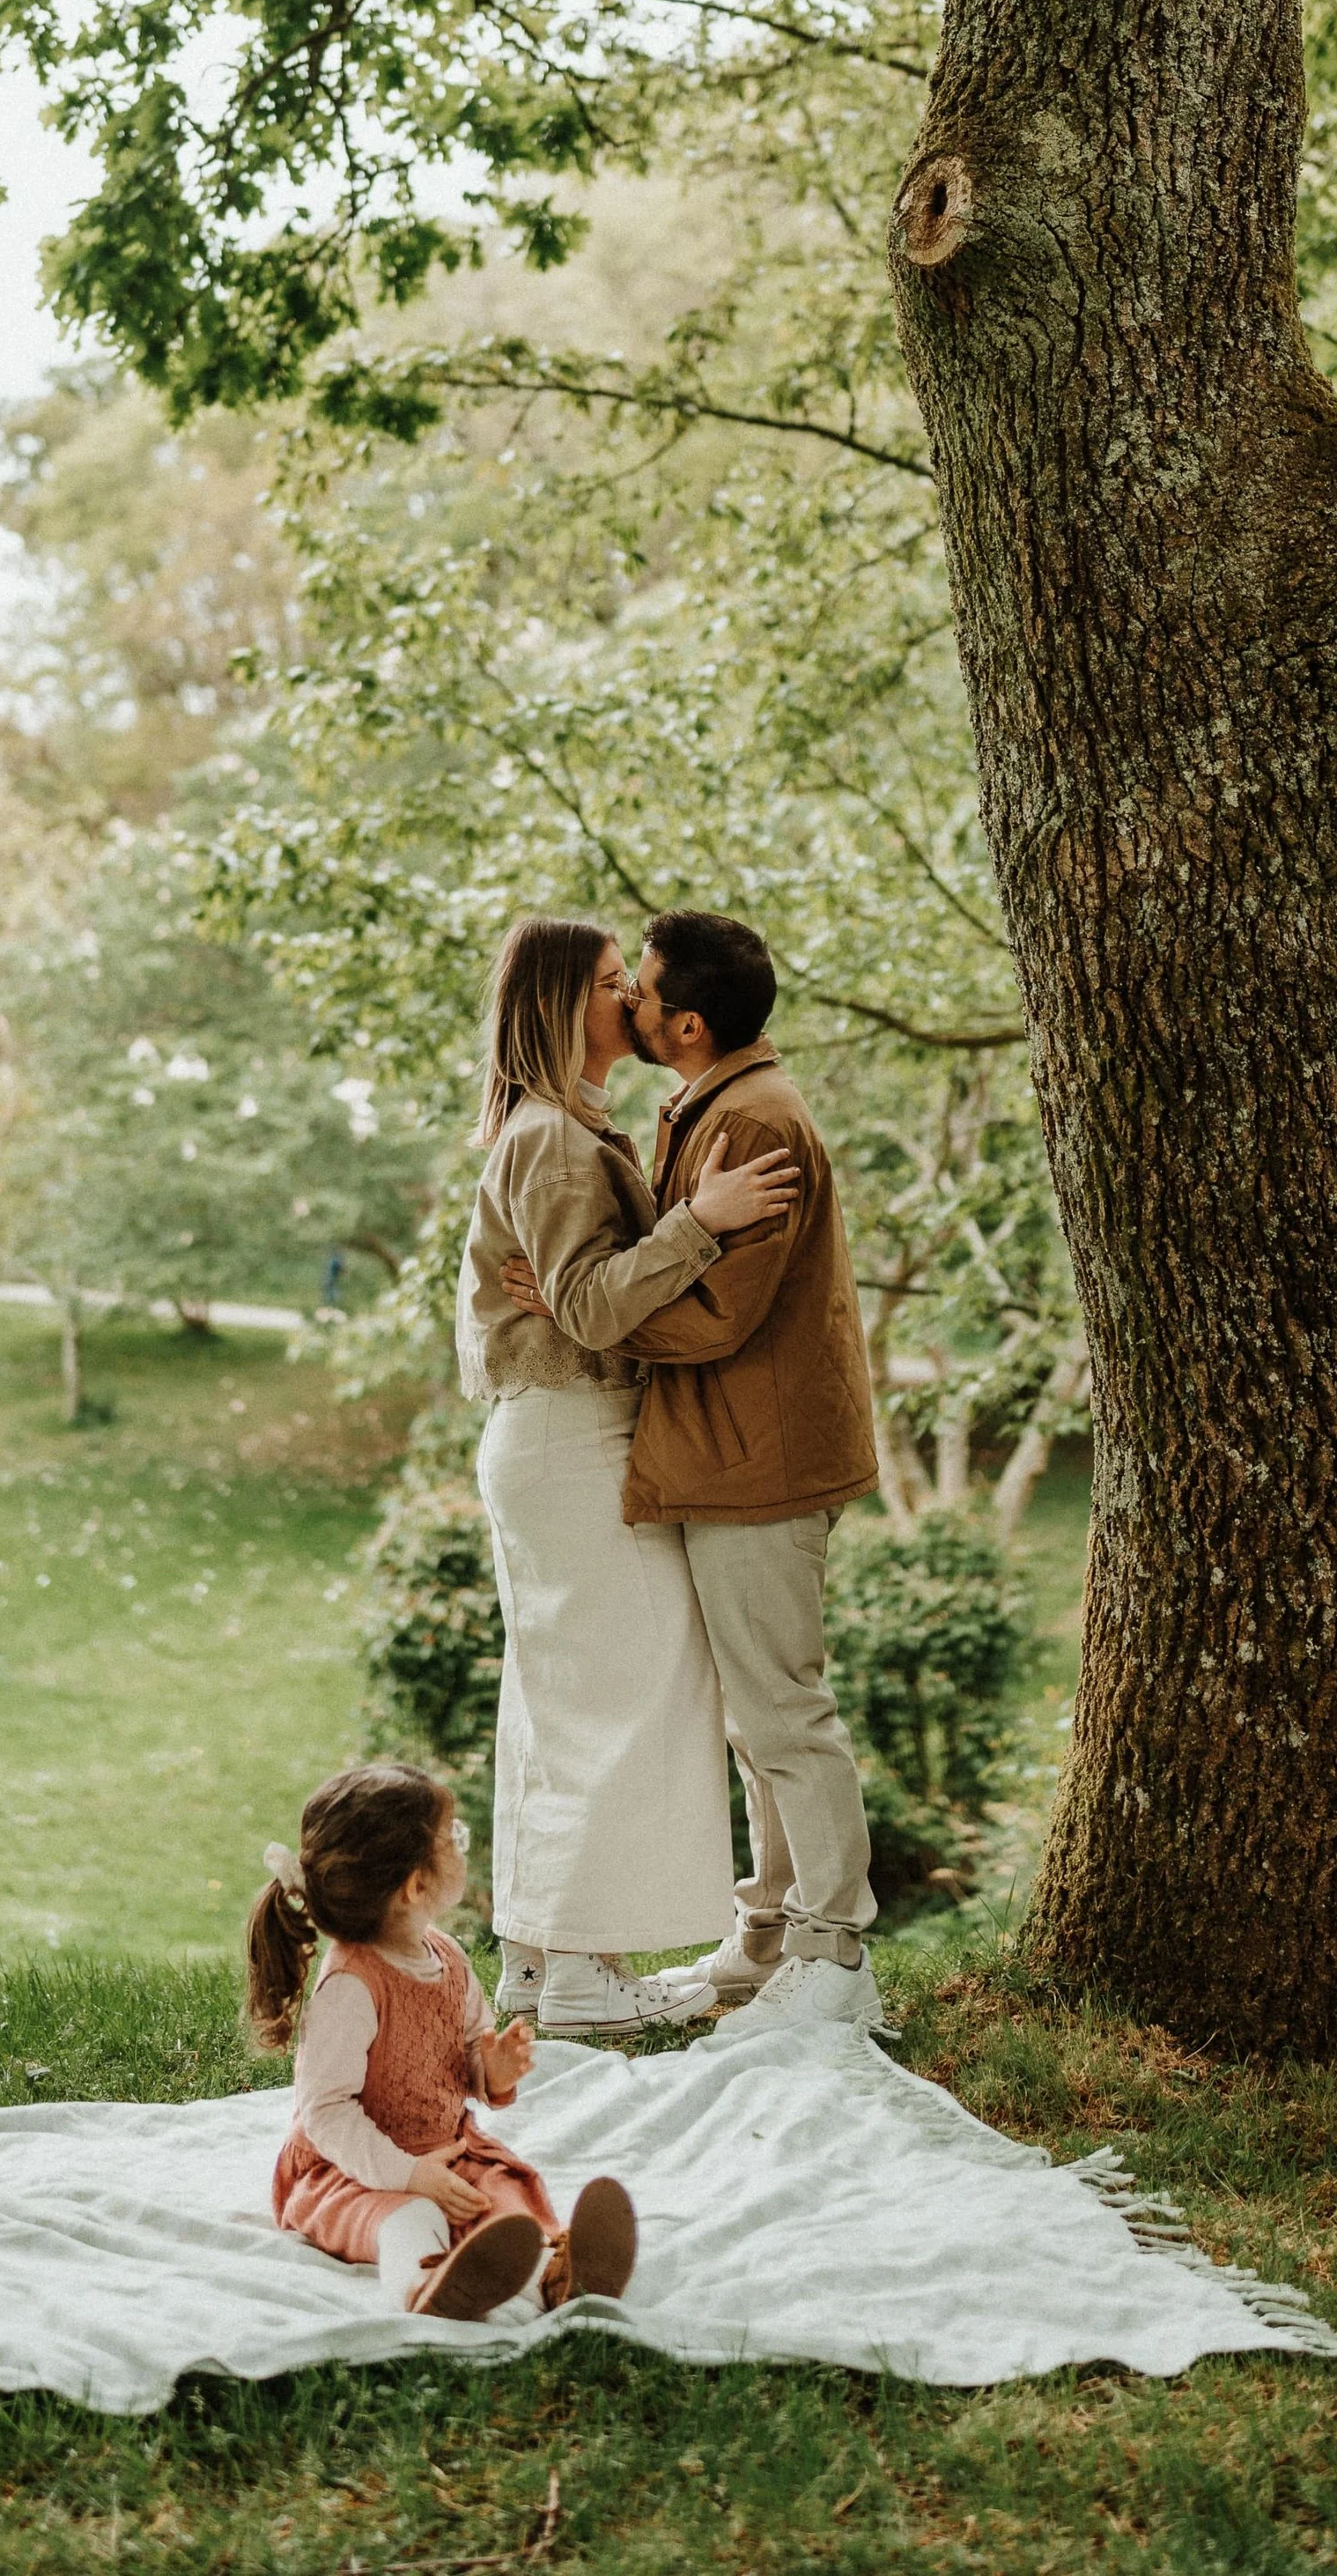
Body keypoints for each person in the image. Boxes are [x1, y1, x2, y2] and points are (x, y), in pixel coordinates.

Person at [504, 909, 884, 2031]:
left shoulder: (755, 1120)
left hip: (759, 1458)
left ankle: (832, 1954)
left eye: (640, 987)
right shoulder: (702, 1104)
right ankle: (765, 1938)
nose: (623, 1001)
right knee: (752, 1715)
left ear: (683, 1023)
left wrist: (595, 1318)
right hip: (724, 1455)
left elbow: (715, 1318)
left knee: (785, 1711)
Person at [456, 913, 802, 2036]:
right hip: (573, 1433)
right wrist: (698, 1221)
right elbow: (597, 1303)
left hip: (564, 1432)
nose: (634, 1002)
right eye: (613, 984)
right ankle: (582, 1972)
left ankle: (537, 1959)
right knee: (619, 1691)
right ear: (564, 1004)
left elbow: (582, 1292)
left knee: (564, 1697)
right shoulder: (553, 1139)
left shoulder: (563, 1127)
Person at [247, 1760, 642, 2321]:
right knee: (412, 2219)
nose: (463, 1846)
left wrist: (492, 2069)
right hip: (348, 2172)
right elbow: (325, 2113)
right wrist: (409, 2177)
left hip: (450, 2152)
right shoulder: (352, 1986)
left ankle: (557, 2279)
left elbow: (464, 2053)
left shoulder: (448, 1959)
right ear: (416, 1885)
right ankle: (423, 2289)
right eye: (452, 1838)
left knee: (506, 2208)